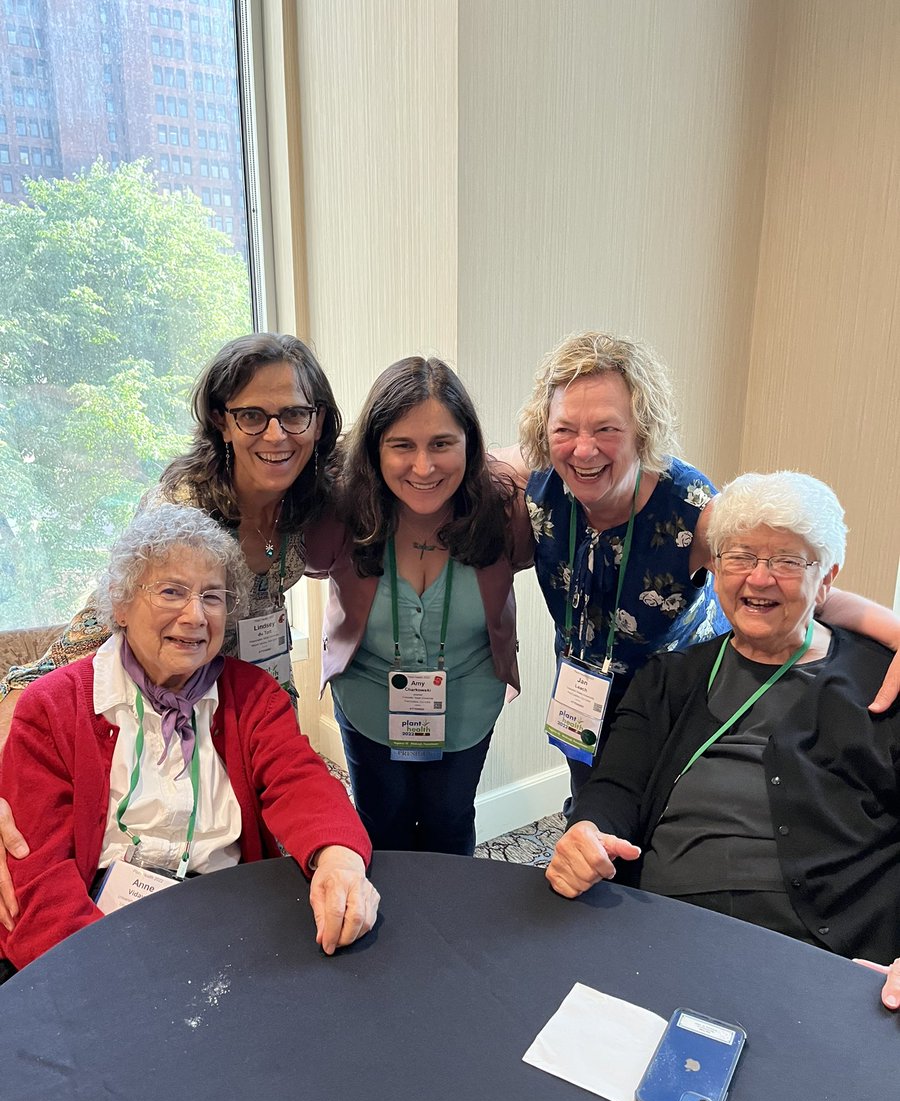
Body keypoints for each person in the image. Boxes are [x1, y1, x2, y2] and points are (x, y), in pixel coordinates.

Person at [0, 331, 342, 929]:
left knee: (273, 809)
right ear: (221, 420)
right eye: (252, 415)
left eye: (294, 413)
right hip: (159, 680)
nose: (276, 433)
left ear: (316, 420)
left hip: (243, 690)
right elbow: (85, 643)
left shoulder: (311, 493)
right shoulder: (180, 509)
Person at [498, 331, 900, 796]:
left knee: (663, 824)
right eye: (565, 429)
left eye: (607, 429)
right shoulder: (535, 482)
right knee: (593, 800)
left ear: (642, 429)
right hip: (582, 693)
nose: (583, 450)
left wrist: (893, 632)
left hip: (675, 705)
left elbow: (785, 585)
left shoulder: (694, 511)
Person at [0, 504, 378, 975]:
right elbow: (37, 879)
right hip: (93, 929)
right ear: (120, 603)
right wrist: (107, 971)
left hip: (223, 912)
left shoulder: (252, 695)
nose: (195, 615)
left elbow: (300, 781)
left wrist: (339, 858)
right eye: (172, 592)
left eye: (213, 597)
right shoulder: (53, 707)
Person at [545, 471, 900, 964]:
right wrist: (587, 827)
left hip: (822, 949)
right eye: (741, 556)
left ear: (827, 580)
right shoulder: (670, 676)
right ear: (714, 568)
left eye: (786, 560)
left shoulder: (881, 683)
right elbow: (616, 787)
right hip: (664, 922)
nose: (759, 577)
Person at [304, 356, 533, 856]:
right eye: (402, 445)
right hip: (366, 695)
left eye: (442, 444)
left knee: (450, 824)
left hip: (470, 697)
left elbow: (551, 452)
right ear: (374, 450)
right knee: (379, 826)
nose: (424, 467)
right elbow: (293, 543)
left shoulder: (504, 505)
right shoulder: (342, 506)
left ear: (469, 445)